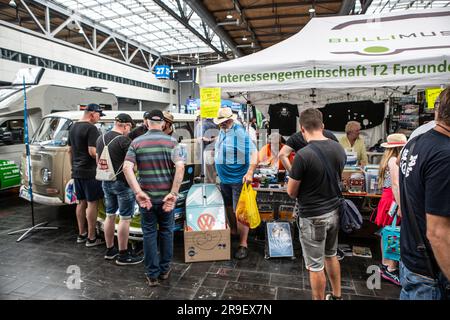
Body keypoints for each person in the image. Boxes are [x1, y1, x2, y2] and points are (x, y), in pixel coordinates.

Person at [287, 108, 346, 300]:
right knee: (331, 255)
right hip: (334, 212)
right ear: (322, 126)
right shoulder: (338, 148)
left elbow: (291, 192)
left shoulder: (303, 155)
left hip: (313, 217)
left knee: (315, 265)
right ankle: (337, 296)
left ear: (302, 129)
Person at [123, 109, 185, 287]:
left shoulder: (136, 142)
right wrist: (173, 193)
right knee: (166, 232)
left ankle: (152, 275)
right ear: (163, 123)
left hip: (146, 199)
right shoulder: (174, 142)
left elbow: (127, 168)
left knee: (149, 233)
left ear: (146, 122)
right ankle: (164, 271)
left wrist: (138, 192)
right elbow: (180, 167)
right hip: (167, 200)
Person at [398, 87, 450, 300]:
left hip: (412, 260)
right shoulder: (444, 154)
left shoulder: (415, 142)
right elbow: (438, 233)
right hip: (430, 270)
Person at [96, 113, 143, 265]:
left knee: (109, 215)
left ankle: (110, 250)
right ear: (125, 125)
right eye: (129, 127)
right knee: (125, 218)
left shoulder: (100, 138)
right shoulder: (124, 140)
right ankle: (123, 254)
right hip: (123, 184)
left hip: (106, 181)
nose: (129, 131)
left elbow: (98, 161)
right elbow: (132, 166)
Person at [214, 107, 258, 260]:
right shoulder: (224, 130)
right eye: (220, 123)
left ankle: (243, 244)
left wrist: (250, 172)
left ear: (230, 120)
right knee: (229, 207)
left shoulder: (239, 132)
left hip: (237, 179)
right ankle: (233, 231)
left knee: (240, 211)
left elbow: (254, 153)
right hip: (225, 179)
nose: (221, 125)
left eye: (223, 122)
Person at [68, 103, 105, 247]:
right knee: (92, 204)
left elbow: (69, 151)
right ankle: (91, 238)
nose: (99, 118)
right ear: (92, 113)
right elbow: (92, 151)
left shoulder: (73, 127)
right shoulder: (91, 128)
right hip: (90, 172)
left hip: (77, 172)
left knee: (80, 202)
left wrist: (73, 169)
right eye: (98, 115)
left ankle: (81, 234)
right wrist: (105, 156)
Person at [373, 133, 407, 286]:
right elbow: (396, 184)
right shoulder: (394, 161)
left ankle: (386, 264)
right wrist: (400, 205)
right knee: (393, 232)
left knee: (386, 232)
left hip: (387, 198)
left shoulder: (388, 159)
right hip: (393, 200)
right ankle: (391, 268)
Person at [195, 117, 219, 184]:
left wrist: (209, 139)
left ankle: (209, 188)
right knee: (212, 173)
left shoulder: (203, 125)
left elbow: (200, 139)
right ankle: (213, 186)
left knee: (208, 175)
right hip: (215, 150)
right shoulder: (215, 124)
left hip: (208, 150)